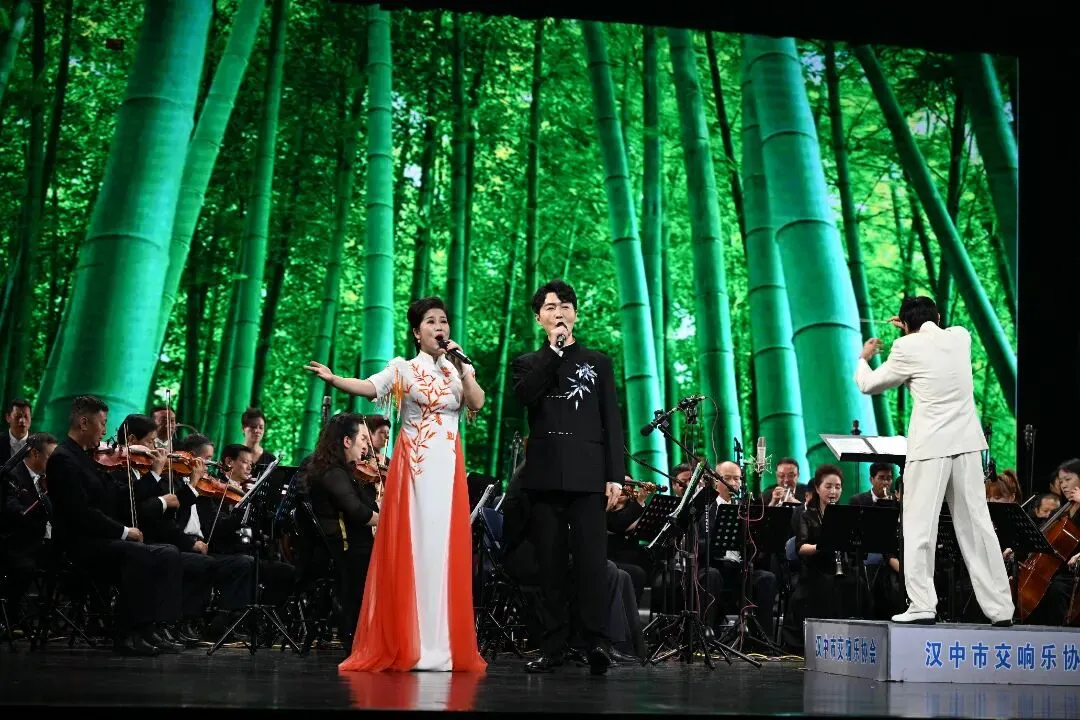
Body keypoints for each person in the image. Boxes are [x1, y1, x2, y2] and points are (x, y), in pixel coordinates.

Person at [305, 296, 486, 672]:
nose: (440, 327)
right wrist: (335, 379)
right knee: (416, 548)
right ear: (417, 332)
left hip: (447, 469)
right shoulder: (404, 369)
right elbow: (369, 387)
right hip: (416, 469)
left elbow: (477, 403)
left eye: (443, 321)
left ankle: (441, 644)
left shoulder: (455, 371)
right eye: (431, 321)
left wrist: (466, 369)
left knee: (443, 551)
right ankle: (409, 640)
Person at [854, 295, 1014, 626]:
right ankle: (1001, 609)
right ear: (939, 317)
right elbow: (931, 339)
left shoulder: (905, 347)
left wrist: (863, 358)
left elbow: (869, 385)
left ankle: (923, 604)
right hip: (967, 444)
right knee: (977, 526)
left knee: (918, 526)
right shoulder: (960, 337)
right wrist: (910, 326)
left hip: (930, 447)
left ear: (905, 325)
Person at [511, 279, 624, 675]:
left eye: (565, 306)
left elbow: (611, 420)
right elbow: (524, 397)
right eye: (550, 307)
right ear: (538, 318)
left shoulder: (598, 361)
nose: (558, 313)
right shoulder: (527, 362)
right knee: (551, 565)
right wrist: (554, 353)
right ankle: (553, 646)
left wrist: (615, 476)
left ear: (575, 313)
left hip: (589, 475)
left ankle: (597, 643)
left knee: (593, 563)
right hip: (544, 476)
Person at [306, 412, 380, 654]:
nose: (367, 445)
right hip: (339, 551)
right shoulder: (333, 473)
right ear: (347, 441)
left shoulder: (343, 471)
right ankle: (366, 635)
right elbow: (358, 512)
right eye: (363, 439)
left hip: (348, 546)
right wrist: (390, 521)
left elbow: (364, 506)